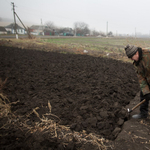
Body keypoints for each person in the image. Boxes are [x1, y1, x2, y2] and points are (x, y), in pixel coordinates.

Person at [125, 44, 150, 119]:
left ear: (136, 53)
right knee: (143, 94)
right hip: (148, 79)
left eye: (131, 57)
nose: (131, 59)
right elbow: (141, 77)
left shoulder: (148, 54)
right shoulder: (137, 63)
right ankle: (143, 114)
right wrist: (146, 91)